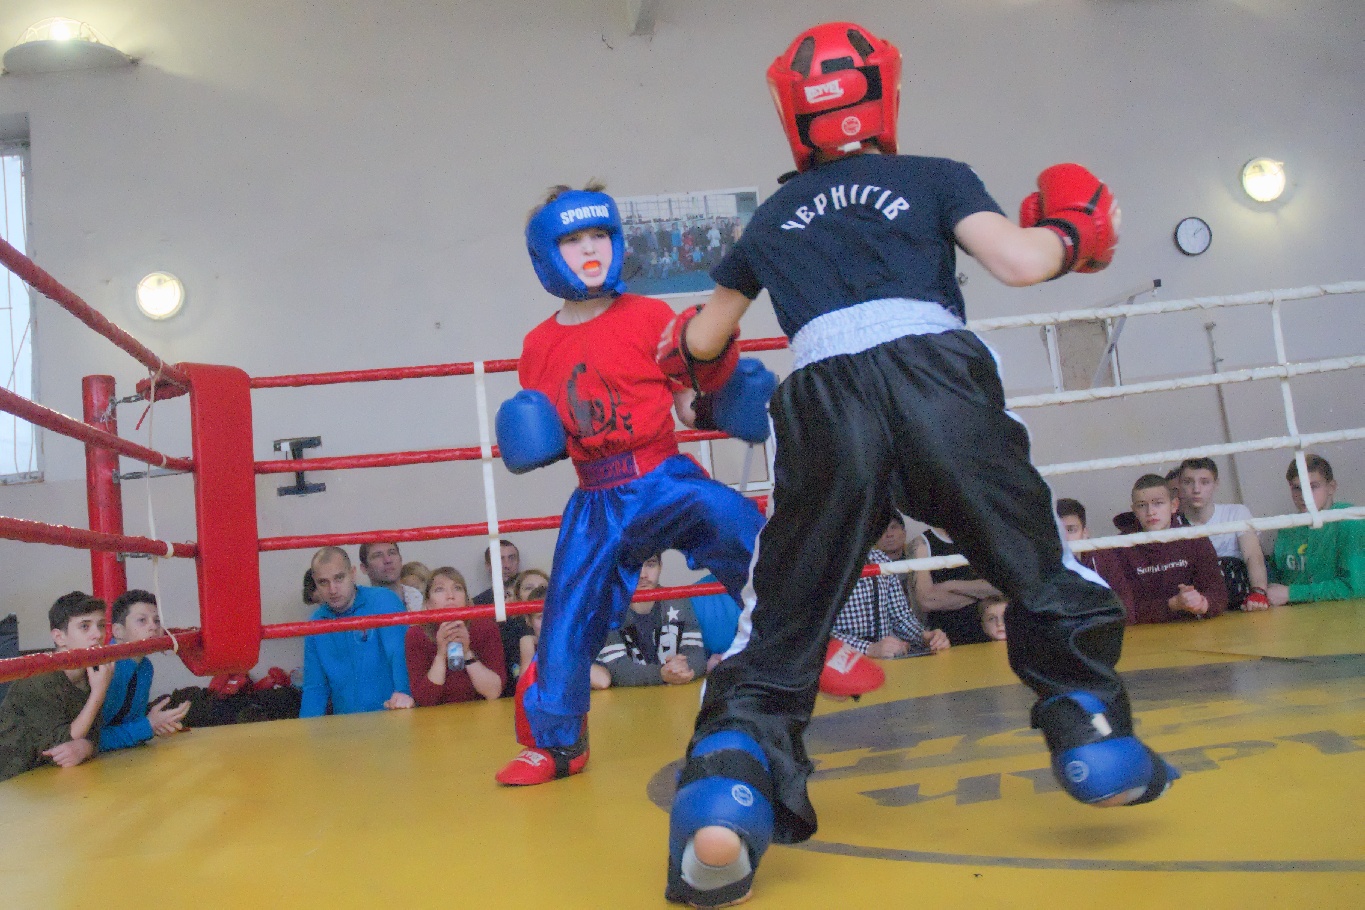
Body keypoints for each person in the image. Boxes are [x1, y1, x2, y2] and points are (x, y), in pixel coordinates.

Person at [657, 22, 1176, 907]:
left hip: (822, 398)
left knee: (785, 608)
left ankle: (727, 789)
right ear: (883, 99)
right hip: (936, 375)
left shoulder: (770, 218)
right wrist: (1072, 228)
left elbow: (700, 342)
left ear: (792, 116)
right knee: (1032, 558)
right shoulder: (934, 175)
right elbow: (1020, 262)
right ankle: (1092, 735)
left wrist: (693, 361)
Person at [491, 179, 782, 788]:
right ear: (546, 255)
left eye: (599, 235)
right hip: (597, 495)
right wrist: (529, 439)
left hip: (662, 474)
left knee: (747, 530)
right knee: (567, 616)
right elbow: (551, 434)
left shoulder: (651, 316)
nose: (589, 249)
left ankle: (811, 644)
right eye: (573, 239)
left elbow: (686, 408)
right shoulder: (538, 346)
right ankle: (556, 745)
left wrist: (726, 403)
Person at [0, 593, 111, 781]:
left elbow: (92, 734)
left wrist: (88, 747)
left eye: (101, 625)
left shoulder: (93, 673)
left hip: (43, 777)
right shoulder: (38, 678)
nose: (98, 634)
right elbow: (60, 747)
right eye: (85, 626)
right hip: (10, 780)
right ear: (59, 637)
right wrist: (98, 694)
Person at [299, 547, 413, 717]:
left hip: (394, 716)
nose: (332, 589)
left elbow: (401, 657)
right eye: (323, 582)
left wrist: (404, 694)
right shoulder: (315, 624)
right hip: (348, 725)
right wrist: (305, 731)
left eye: (339, 578)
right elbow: (315, 688)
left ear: (352, 574)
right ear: (315, 582)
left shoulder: (383, 600)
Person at [1098, 475, 1228, 624]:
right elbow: (1124, 609)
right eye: (1142, 505)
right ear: (1134, 510)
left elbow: (1219, 594)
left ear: (1174, 505)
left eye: (1158, 503)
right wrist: (1172, 604)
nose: (1150, 512)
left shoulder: (1194, 538)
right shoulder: (1120, 547)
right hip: (1143, 632)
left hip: (1194, 627)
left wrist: (1202, 603)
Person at [591, 553, 709, 688]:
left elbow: (697, 654)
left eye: (650, 565)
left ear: (660, 566)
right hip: (627, 699)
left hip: (673, 696)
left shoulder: (678, 600)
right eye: (632, 566)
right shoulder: (608, 610)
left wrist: (685, 668)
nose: (643, 575)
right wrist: (662, 674)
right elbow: (617, 669)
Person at [99, 590, 191, 751]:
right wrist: (148, 726)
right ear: (118, 631)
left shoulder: (146, 667)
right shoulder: (104, 667)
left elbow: (131, 725)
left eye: (157, 621)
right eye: (142, 620)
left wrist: (154, 726)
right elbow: (89, 740)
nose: (153, 627)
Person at [1267, 454, 1364, 605]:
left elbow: (1355, 587)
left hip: (1341, 613)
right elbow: (1276, 582)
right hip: (1295, 614)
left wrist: (1292, 594)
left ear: (1331, 487)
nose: (1304, 495)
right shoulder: (1288, 528)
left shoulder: (1349, 520)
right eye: (1297, 488)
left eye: (1312, 487)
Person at [1176, 458, 1270, 610]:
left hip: (1239, 602)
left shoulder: (1236, 513)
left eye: (1204, 482)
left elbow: (1253, 555)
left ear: (1216, 484)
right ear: (1179, 484)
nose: (1196, 489)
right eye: (1188, 482)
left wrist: (1259, 592)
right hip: (1196, 607)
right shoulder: (1173, 523)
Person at [405, 568, 506, 705]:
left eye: (457, 588)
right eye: (439, 589)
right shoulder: (416, 634)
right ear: (428, 603)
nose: (450, 596)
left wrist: (467, 652)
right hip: (436, 716)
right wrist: (441, 654)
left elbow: (493, 692)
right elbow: (425, 699)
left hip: (480, 712)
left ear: (466, 599)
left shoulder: (485, 627)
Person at [832, 547, 950, 657]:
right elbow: (821, 630)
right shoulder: (825, 561)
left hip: (883, 661)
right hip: (838, 661)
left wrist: (924, 636)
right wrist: (868, 648)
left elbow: (900, 617)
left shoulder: (880, 558)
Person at [908, 526, 1000, 646]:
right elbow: (927, 600)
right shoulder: (921, 543)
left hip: (993, 635)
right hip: (945, 640)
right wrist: (982, 594)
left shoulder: (986, 537)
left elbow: (1001, 587)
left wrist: (950, 586)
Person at [473, 539, 531, 699]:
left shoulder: (532, 599)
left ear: (518, 562)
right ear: (488, 566)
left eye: (511, 558)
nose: (506, 565)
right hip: (491, 683)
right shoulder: (477, 604)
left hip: (528, 682)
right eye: (499, 559)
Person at [509, 569, 551, 680]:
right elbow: (524, 685)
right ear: (518, 597)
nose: (536, 591)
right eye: (529, 588)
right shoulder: (508, 631)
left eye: (542, 587)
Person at [359, 542, 425, 612]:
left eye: (392, 553)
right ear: (364, 568)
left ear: (401, 560)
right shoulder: (359, 609)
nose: (388, 560)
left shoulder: (424, 599)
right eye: (378, 556)